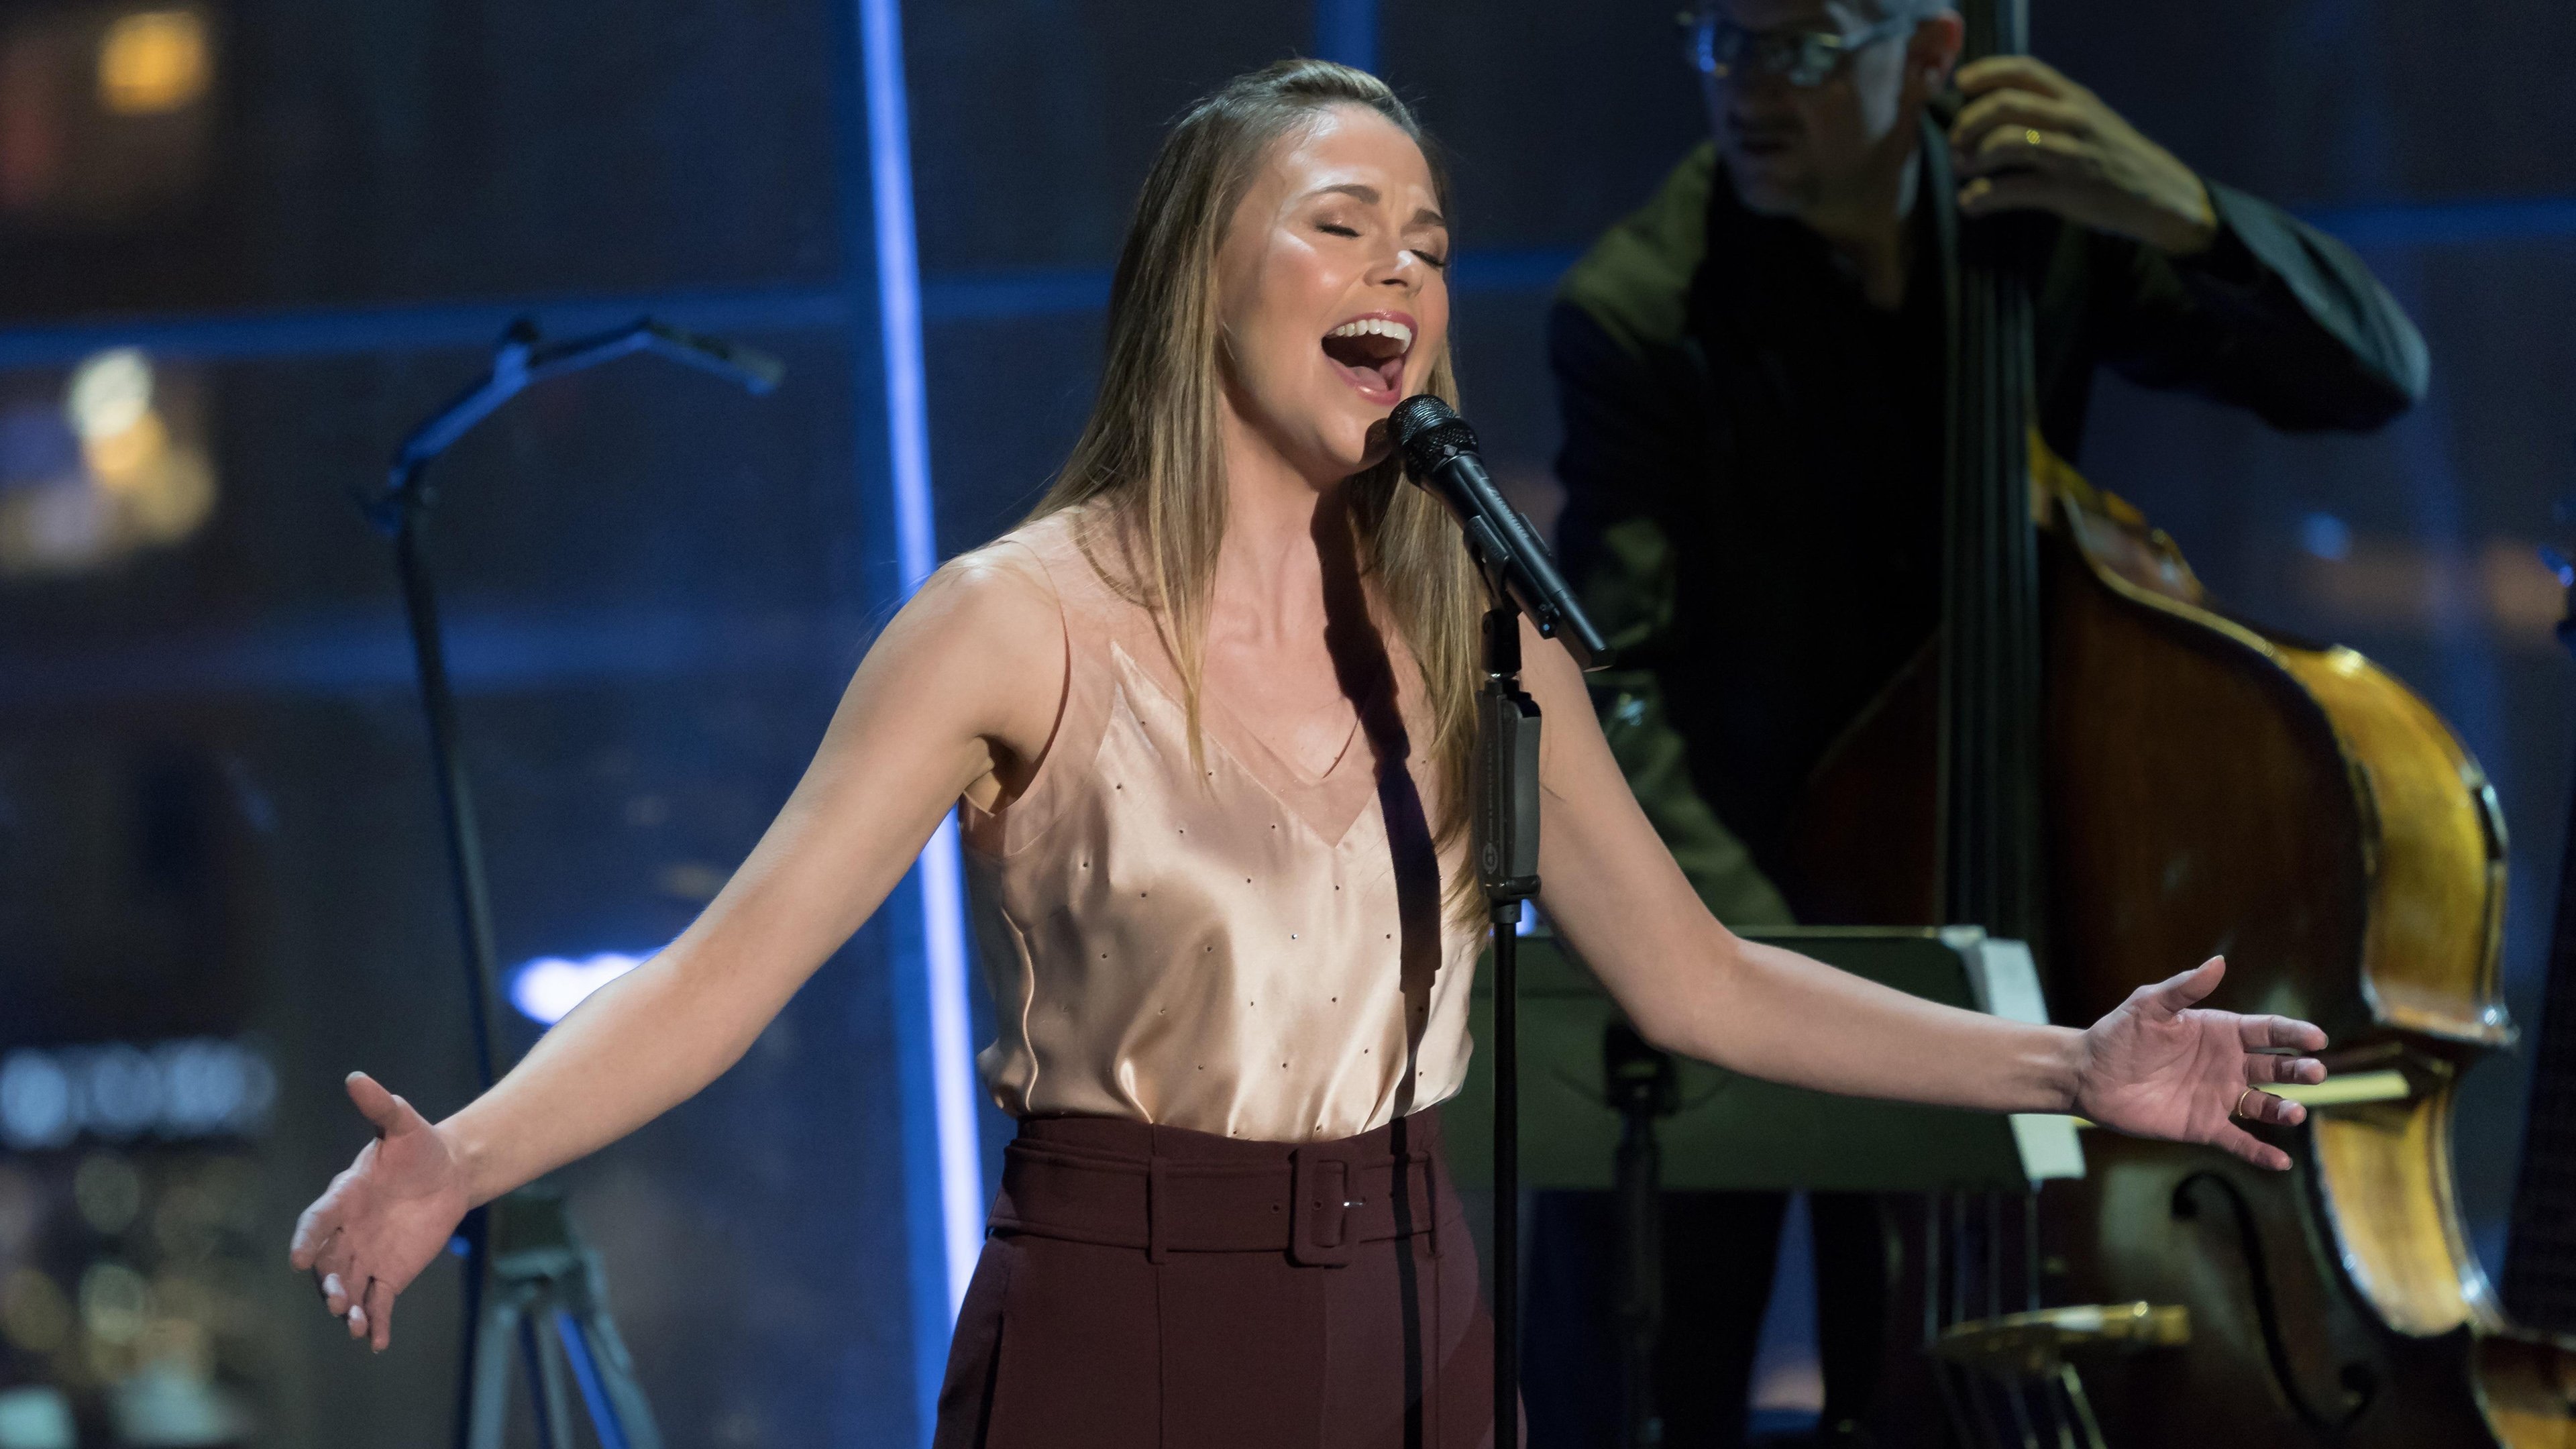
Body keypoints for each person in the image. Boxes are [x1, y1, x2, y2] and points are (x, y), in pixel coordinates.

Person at [287, 59, 2330, 1448]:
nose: (1402, 277)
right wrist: (464, 1157)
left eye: (1429, 244)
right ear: (1204, 281)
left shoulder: (1468, 611)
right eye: (1343, 227)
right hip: (1128, 1295)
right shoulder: (1015, 619)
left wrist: (2066, 1066)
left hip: (1421, 1290)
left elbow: (1694, 980)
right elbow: (722, 977)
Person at [1530, 0, 2426, 1444]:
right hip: (1733, 891)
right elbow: (1617, 688)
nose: (1748, 87)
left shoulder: (2038, 219)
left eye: (1800, 46)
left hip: (2003, 880)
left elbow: (2375, 377)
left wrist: (2189, 215)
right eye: (1718, 38)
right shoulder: (1639, 306)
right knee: (1646, 1392)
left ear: (1936, 51)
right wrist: (1799, 1005)